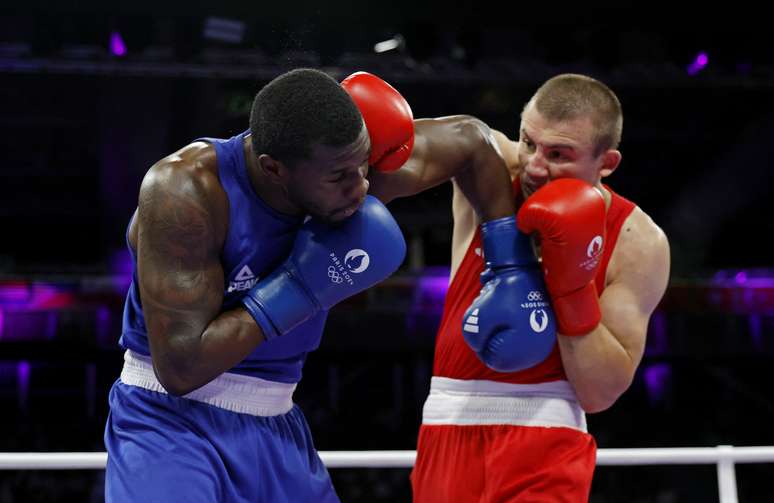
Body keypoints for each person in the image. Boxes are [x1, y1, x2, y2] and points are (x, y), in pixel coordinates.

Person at [103, 67, 526, 502]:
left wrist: (510, 268)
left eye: (363, 164)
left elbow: (472, 140)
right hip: (169, 426)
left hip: (277, 419)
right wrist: (299, 287)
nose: (361, 186)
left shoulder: (345, 166)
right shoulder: (187, 191)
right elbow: (180, 370)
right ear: (274, 169)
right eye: (341, 176)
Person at [372, 73, 671, 502]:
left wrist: (571, 284)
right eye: (528, 141)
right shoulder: (488, 166)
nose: (533, 165)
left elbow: (600, 393)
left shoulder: (636, 241)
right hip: (446, 429)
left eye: (559, 154)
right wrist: (355, 137)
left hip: (547, 439)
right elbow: (397, 160)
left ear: (606, 164)